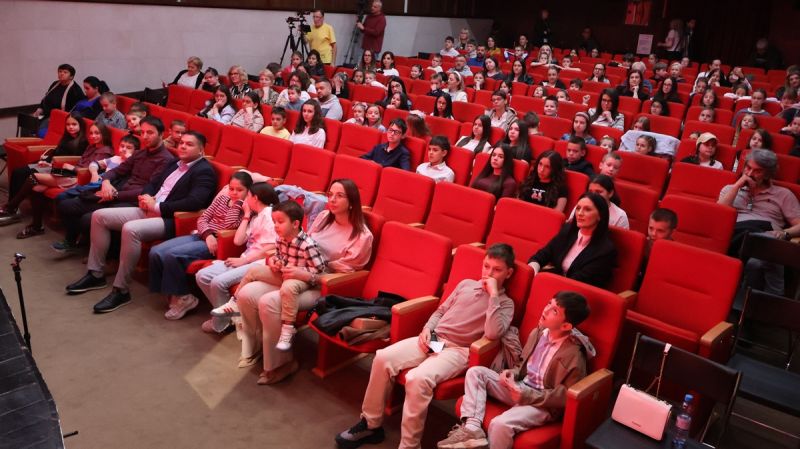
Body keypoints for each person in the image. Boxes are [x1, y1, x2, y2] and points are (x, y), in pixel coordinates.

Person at [336, 243, 517, 449]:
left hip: (459, 350)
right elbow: (440, 311)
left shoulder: (505, 303)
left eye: (497, 270)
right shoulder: (466, 284)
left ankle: (410, 446)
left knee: (417, 379)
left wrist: (493, 295)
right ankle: (371, 425)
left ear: (509, 273)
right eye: (486, 266)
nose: (488, 274)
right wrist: (427, 329)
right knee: (383, 358)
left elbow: (493, 333)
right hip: (436, 337)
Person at [64, 130, 217, 313]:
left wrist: (157, 206)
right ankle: (95, 273)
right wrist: (146, 195)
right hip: (148, 208)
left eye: (189, 144)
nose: (183, 146)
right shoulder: (174, 163)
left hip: (170, 218)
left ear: (201, 150)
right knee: (99, 216)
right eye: (181, 142)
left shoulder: (204, 171)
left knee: (130, 229)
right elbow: (153, 183)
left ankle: (121, 290)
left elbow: (194, 202)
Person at [237, 179, 373, 383]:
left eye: (339, 196)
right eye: (330, 194)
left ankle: (281, 363)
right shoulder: (324, 217)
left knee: (269, 302)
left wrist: (308, 275)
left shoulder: (362, 236)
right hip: (297, 271)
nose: (332, 200)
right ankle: (255, 346)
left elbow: (345, 275)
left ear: (352, 201)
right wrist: (278, 259)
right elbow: (300, 244)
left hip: (324, 284)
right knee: (247, 294)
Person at [437, 291, 592, 449]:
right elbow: (522, 365)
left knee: (499, 424)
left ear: (566, 326)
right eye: (549, 304)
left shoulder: (574, 355)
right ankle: (472, 429)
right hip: (521, 387)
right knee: (476, 373)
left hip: (542, 404)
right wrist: (512, 373)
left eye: (554, 311)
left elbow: (566, 396)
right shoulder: (539, 332)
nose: (545, 310)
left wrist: (526, 395)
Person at [51, 116, 175, 252]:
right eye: (142, 132)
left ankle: (104, 252)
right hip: (116, 192)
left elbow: (149, 190)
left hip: (134, 201)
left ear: (161, 134)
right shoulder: (139, 154)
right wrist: (106, 182)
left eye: (150, 132)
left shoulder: (167, 160)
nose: (144, 136)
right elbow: (116, 171)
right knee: (66, 204)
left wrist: (115, 194)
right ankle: (73, 241)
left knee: (87, 218)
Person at [149, 172, 252, 320]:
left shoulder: (245, 209)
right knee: (156, 251)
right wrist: (208, 235)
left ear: (248, 191)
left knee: (173, 255)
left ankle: (184, 298)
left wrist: (239, 203)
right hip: (203, 236)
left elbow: (229, 224)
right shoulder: (222, 199)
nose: (234, 193)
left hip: (219, 242)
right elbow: (203, 218)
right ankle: (172, 294)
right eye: (231, 188)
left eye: (239, 190)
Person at [200, 180, 280, 333]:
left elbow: (272, 247)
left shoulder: (270, 215)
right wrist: (247, 215)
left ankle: (221, 324)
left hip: (259, 263)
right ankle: (230, 317)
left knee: (218, 282)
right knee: (202, 276)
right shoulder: (256, 216)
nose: (245, 200)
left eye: (248, 196)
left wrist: (245, 260)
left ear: (255, 198)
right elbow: (238, 241)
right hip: (246, 258)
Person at [718, 150, 800, 295]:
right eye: (748, 168)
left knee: (757, 260)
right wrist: (737, 186)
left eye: (757, 171)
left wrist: (785, 233)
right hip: (735, 234)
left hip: (767, 236)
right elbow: (717, 215)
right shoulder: (730, 189)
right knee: (755, 251)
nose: (750, 174)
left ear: (768, 174)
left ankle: (755, 300)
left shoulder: (783, 194)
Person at [0, 112, 89, 222]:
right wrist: (46, 160)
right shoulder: (66, 137)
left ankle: (11, 207)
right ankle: (12, 205)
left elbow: (73, 161)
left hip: (61, 170)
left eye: (74, 124)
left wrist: (50, 164)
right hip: (50, 164)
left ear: (80, 125)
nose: (70, 127)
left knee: (26, 174)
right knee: (17, 172)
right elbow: (56, 151)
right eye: (68, 124)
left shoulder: (83, 142)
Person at [528, 193, 617, 287]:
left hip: (575, 292)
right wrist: (533, 272)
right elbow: (542, 255)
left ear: (600, 215)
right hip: (554, 284)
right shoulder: (568, 230)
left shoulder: (605, 250)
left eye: (587, 209)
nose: (580, 213)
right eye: (578, 208)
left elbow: (580, 281)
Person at [32, 63, 86, 136]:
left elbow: (76, 109)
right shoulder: (55, 83)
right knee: (30, 124)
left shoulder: (75, 90)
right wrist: (40, 108)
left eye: (65, 72)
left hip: (61, 118)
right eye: (60, 71)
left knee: (41, 132)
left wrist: (57, 117)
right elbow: (46, 97)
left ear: (71, 76)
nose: (61, 74)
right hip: (46, 114)